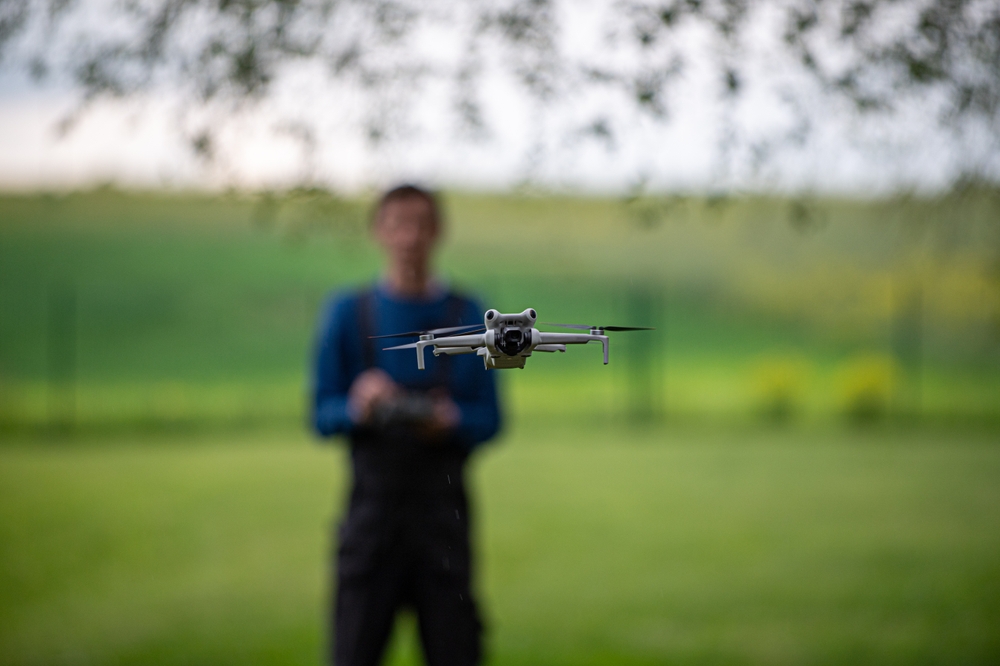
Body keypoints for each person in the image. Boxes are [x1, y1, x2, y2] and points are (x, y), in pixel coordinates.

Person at [311, 185, 502, 666]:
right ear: (379, 231)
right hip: (370, 525)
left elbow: (492, 418)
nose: (410, 237)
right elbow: (320, 413)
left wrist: (451, 420)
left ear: (438, 231)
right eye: (398, 223)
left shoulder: (474, 316)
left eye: (421, 224)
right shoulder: (347, 313)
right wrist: (358, 406)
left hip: (444, 524)